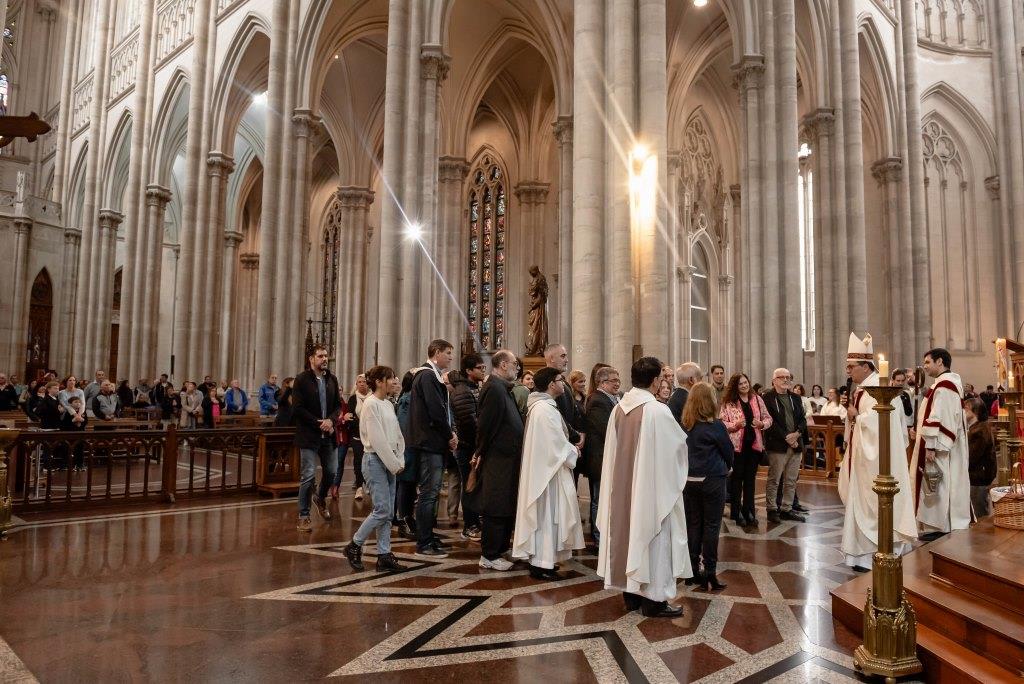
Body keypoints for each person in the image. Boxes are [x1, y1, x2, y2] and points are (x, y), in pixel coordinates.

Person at [596, 356, 692, 618]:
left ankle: (632, 596)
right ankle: (654, 601)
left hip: (621, 492)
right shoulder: (657, 411)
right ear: (655, 380)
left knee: (627, 535)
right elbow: (676, 451)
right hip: (651, 493)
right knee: (654, 540)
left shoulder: (619, 409)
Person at [840, 332, 917, 571]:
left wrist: (857, 417)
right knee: (861, 503)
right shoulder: (863, 389)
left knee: (874, 502)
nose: (848, 371)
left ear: (865, 366)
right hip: (863, 457)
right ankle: (862, 555)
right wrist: (853, 416)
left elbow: (881, 424)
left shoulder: (880, 389)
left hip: (878, 462)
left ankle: (878, 552)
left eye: (851, 366)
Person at [512, 367, 585, 579]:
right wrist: (574, 451)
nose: (563, 383)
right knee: (545, 518)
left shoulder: (544, 407)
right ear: (552, 384)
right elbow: (555, 445)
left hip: (548, 471)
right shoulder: (544, 410)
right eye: (560, 380)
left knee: (548, 518)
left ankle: (546, 562)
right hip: (546, 476)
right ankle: (540, 565)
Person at [343, 366, 406, 573]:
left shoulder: (387, 403)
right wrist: (394, 464)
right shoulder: (370, 404)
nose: (394, 381)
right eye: (390, 378)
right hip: (375, 461)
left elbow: (397, 434)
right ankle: (354, 545)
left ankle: (384, 554)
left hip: (390, 461)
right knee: (382, 510)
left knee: (388, 512)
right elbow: (377, 440)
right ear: (379, 382)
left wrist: (399, 458)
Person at [912, 347, 972, 538]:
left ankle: (938, 526)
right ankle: (938, 525)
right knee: (938, 483)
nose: (925, 366)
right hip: (937, 444)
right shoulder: (944, 384)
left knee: (938, 483)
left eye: (927, 362)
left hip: (939, 447)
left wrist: (931, 445)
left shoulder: (945, 386)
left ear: (940, 362)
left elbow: (942, 417)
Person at [475, 349, 525, 571]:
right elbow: (485, 425)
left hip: (508, 459)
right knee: (496, 504)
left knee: (506, 504)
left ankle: (501, 548)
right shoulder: (494, 389)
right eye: (515, 364)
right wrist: (480, 452)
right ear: (503, 364)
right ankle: (489, 555)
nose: (517, 368)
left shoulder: (503, 388)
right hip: (497, 459)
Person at [409, 339, 459, 558]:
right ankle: (424, 542)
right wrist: (449, 435)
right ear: (436, 353)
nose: (451, 357)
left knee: (432, 492)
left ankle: (429, 535)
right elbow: (436, 410)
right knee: (429, 493)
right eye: (447, 353)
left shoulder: (431, 375)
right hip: (430, 443)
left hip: (433, 442)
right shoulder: (427, 376)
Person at [683, 383, 733, 591]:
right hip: (712, 479)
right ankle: (709, 572)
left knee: (693, 524)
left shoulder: (685, 425)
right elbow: (728, 451)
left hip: (689, 480)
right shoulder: (716, 426)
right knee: (712, 526)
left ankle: (692, 569)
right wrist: (728, 466)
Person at [292, 345, 342, 532]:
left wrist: (331, 420)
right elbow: (298, 408)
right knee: (308, 475)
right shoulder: (301, 379)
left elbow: (338, 406)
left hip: (328, 435)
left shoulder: (332, 379)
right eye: (320, 356)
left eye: (326, 356)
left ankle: (320, 498)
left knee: (331, 472)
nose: (324, 359)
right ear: (311, 359)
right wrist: (318, 422)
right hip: (309, 435)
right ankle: (303, 515)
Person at [719, 372, 771, 525]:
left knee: (750, 481)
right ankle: (736, 513)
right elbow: (722, 423)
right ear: (735, 386)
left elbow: (768, 418)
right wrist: (734, 425)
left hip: (754, 446)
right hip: (737, 448)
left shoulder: (757, 399)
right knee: (736, 481)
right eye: (740, 383)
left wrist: (762, 424)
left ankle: (749, 512)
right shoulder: (729, 402)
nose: (744, 385)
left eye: (745, 382)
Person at [762, 368, 808, 523]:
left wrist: (797, 433)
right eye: (782, 377)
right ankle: (772, 509)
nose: (786, 380)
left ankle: (786, 509)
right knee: (774, 479)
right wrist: (787, 437)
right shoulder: (767, 398)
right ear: (774, 380)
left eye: (788, 377)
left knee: (791, 480)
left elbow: (802, 419)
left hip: (796, 444)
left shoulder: (795, 397)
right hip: (777, 445)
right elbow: (770, 421)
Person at [448, 354, 486, 540]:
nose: (483, 371)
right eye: (479, 368)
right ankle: (470, 525)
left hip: (473, 446)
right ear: (469, 371)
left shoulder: (472, 387)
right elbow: (469, 423)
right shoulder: (462, 391)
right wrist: (480, 444)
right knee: (469, 485)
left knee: (475, 485)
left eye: (484, 367)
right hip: (467, 446)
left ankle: (475, 521)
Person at [581, 366, 620, 545]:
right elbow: (606, 430)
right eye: (614, 380)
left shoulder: (609, 398)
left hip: (605, 458)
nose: (617, 383)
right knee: (598, 498)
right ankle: (599, 538)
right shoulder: (597, 400)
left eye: (618, 380)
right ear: (602, 383)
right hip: (599, 459)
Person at [543, 344, 586, 446]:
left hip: (571, 441)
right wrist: (575, 435)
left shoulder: (565, 383)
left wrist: (581, 432)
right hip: (557, 442)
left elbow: (574, 410)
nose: (567, 360)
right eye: (563, 356)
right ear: (552, 359)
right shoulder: (543, 383)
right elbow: (556, 416)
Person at [965, 397, 996, 517]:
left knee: (979, 513)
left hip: (978, 477)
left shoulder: (979, 430)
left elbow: (972, 456)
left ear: (976, 411)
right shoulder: (975, 427)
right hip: (976, 476)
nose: (963, 411)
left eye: (966, 408)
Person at [345, 374, 371, 500]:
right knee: (358, 460)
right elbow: (350, 417)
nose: (362, 384)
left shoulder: (372, 397)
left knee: (370, 461)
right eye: (359, 382)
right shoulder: (353, 399)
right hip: (356, 435)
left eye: (364, 381)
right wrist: (357, 421)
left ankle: (369, 484)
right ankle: (359, 487)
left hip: (371, 436)